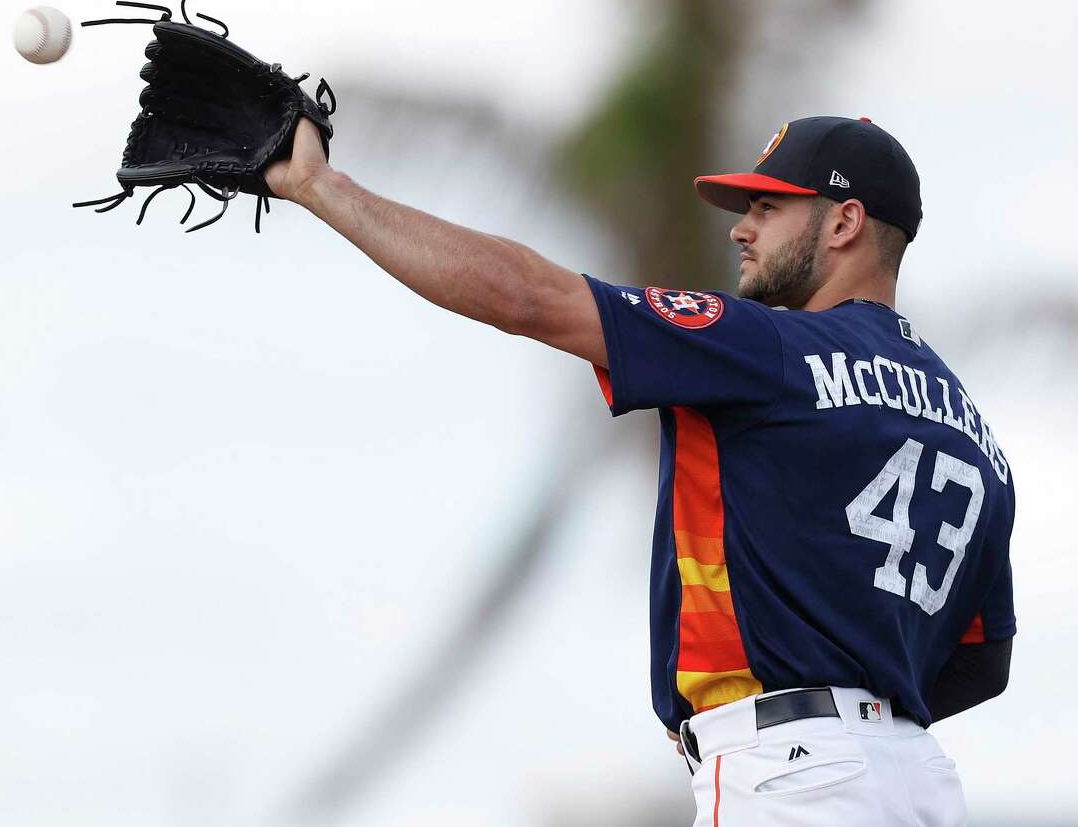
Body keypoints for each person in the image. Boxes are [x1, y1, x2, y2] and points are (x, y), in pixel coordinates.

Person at [265, 113, 1014, 827]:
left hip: (795, 776)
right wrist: (868, 713)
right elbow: (983, 663)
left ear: (844, 223)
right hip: (917, 782)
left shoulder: (769, 347)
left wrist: (321, 187)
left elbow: (528, 297)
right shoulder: (975, 432)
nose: (741, 227)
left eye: (769, 206)